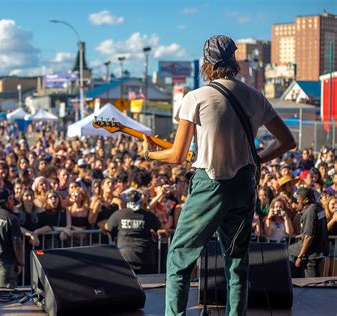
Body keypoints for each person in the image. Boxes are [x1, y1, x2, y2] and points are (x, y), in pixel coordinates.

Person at [142, 35, 295, 315]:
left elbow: (176, 155)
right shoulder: (254, 96)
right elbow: (287, 141)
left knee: (179, 256)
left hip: (209, 183)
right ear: (233, 62)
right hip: (244, 185)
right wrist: (256, 159)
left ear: (207, 64)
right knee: (236, 259)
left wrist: (150, 154)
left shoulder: (196, 98)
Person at [106, 190, 161, 274]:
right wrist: (146, 206)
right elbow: (157, 225)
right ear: (140, 200)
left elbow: (108, 227)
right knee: (147, 285)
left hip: (125, 256)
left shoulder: (119, 214)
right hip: (145, 255)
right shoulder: (147, 215)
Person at [288, 188, 329, 277]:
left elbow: (309, 237)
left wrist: (299, 257)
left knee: (311, 284)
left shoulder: (310, 211)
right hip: (318, 250)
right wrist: (302, 235)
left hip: (312, 253)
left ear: (306, 200)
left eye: (298, 201)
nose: (295, 204)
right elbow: (317, 228)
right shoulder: (319, 208)